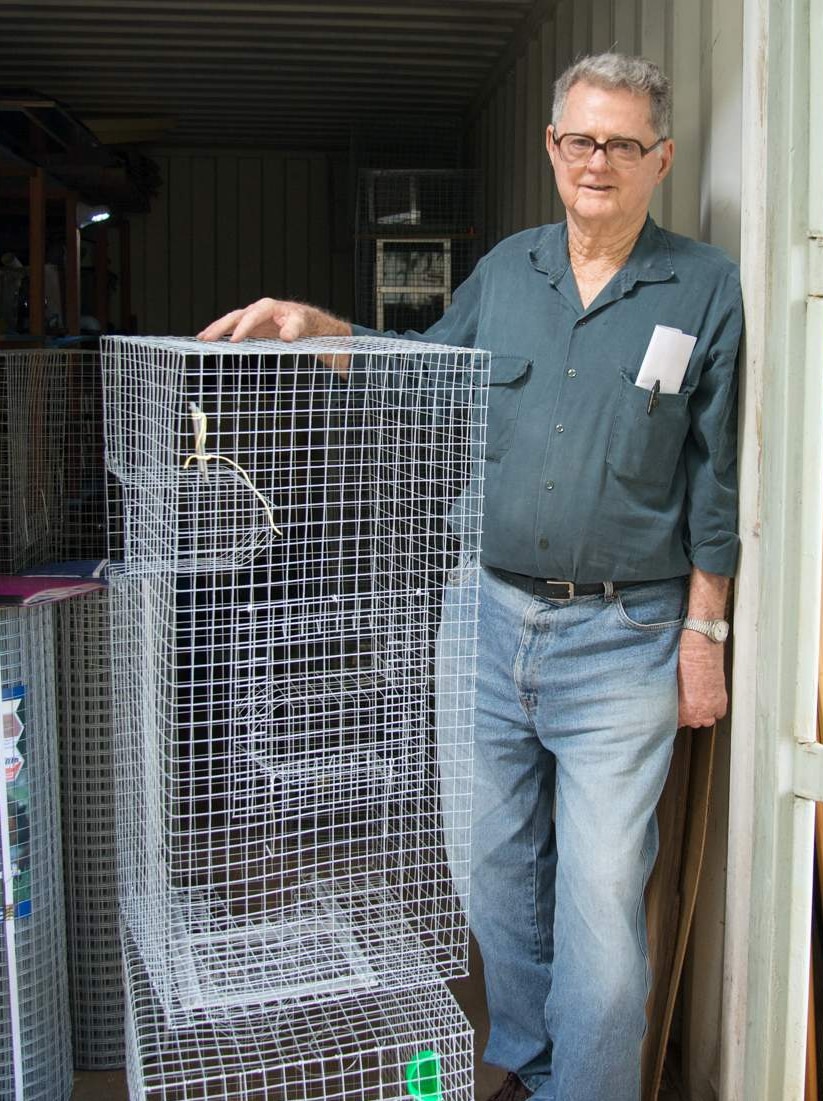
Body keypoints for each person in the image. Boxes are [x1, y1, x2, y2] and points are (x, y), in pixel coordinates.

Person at [199, 52, 741, 1101]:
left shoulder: (702, 287)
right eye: (580, 139)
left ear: (659, 159)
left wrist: (703, 636)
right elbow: (430, 373)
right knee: (490, 874)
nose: (599, 161)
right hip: (485, 620)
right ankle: (530, 1063)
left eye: (623, 144)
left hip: (623, 638)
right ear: (551, 147)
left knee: (598, 906)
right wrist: (322, 328)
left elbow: (714, 475)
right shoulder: (508, 270)